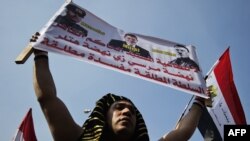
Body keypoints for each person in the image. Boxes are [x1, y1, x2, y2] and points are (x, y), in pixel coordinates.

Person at [32, 32, 208, 140]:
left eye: (131, 112)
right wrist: (40, 54)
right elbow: (47, 98)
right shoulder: (76, 138)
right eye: (119, 108)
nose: (126, 113)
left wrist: (200, 99)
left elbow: (183, 132)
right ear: (104, 116)